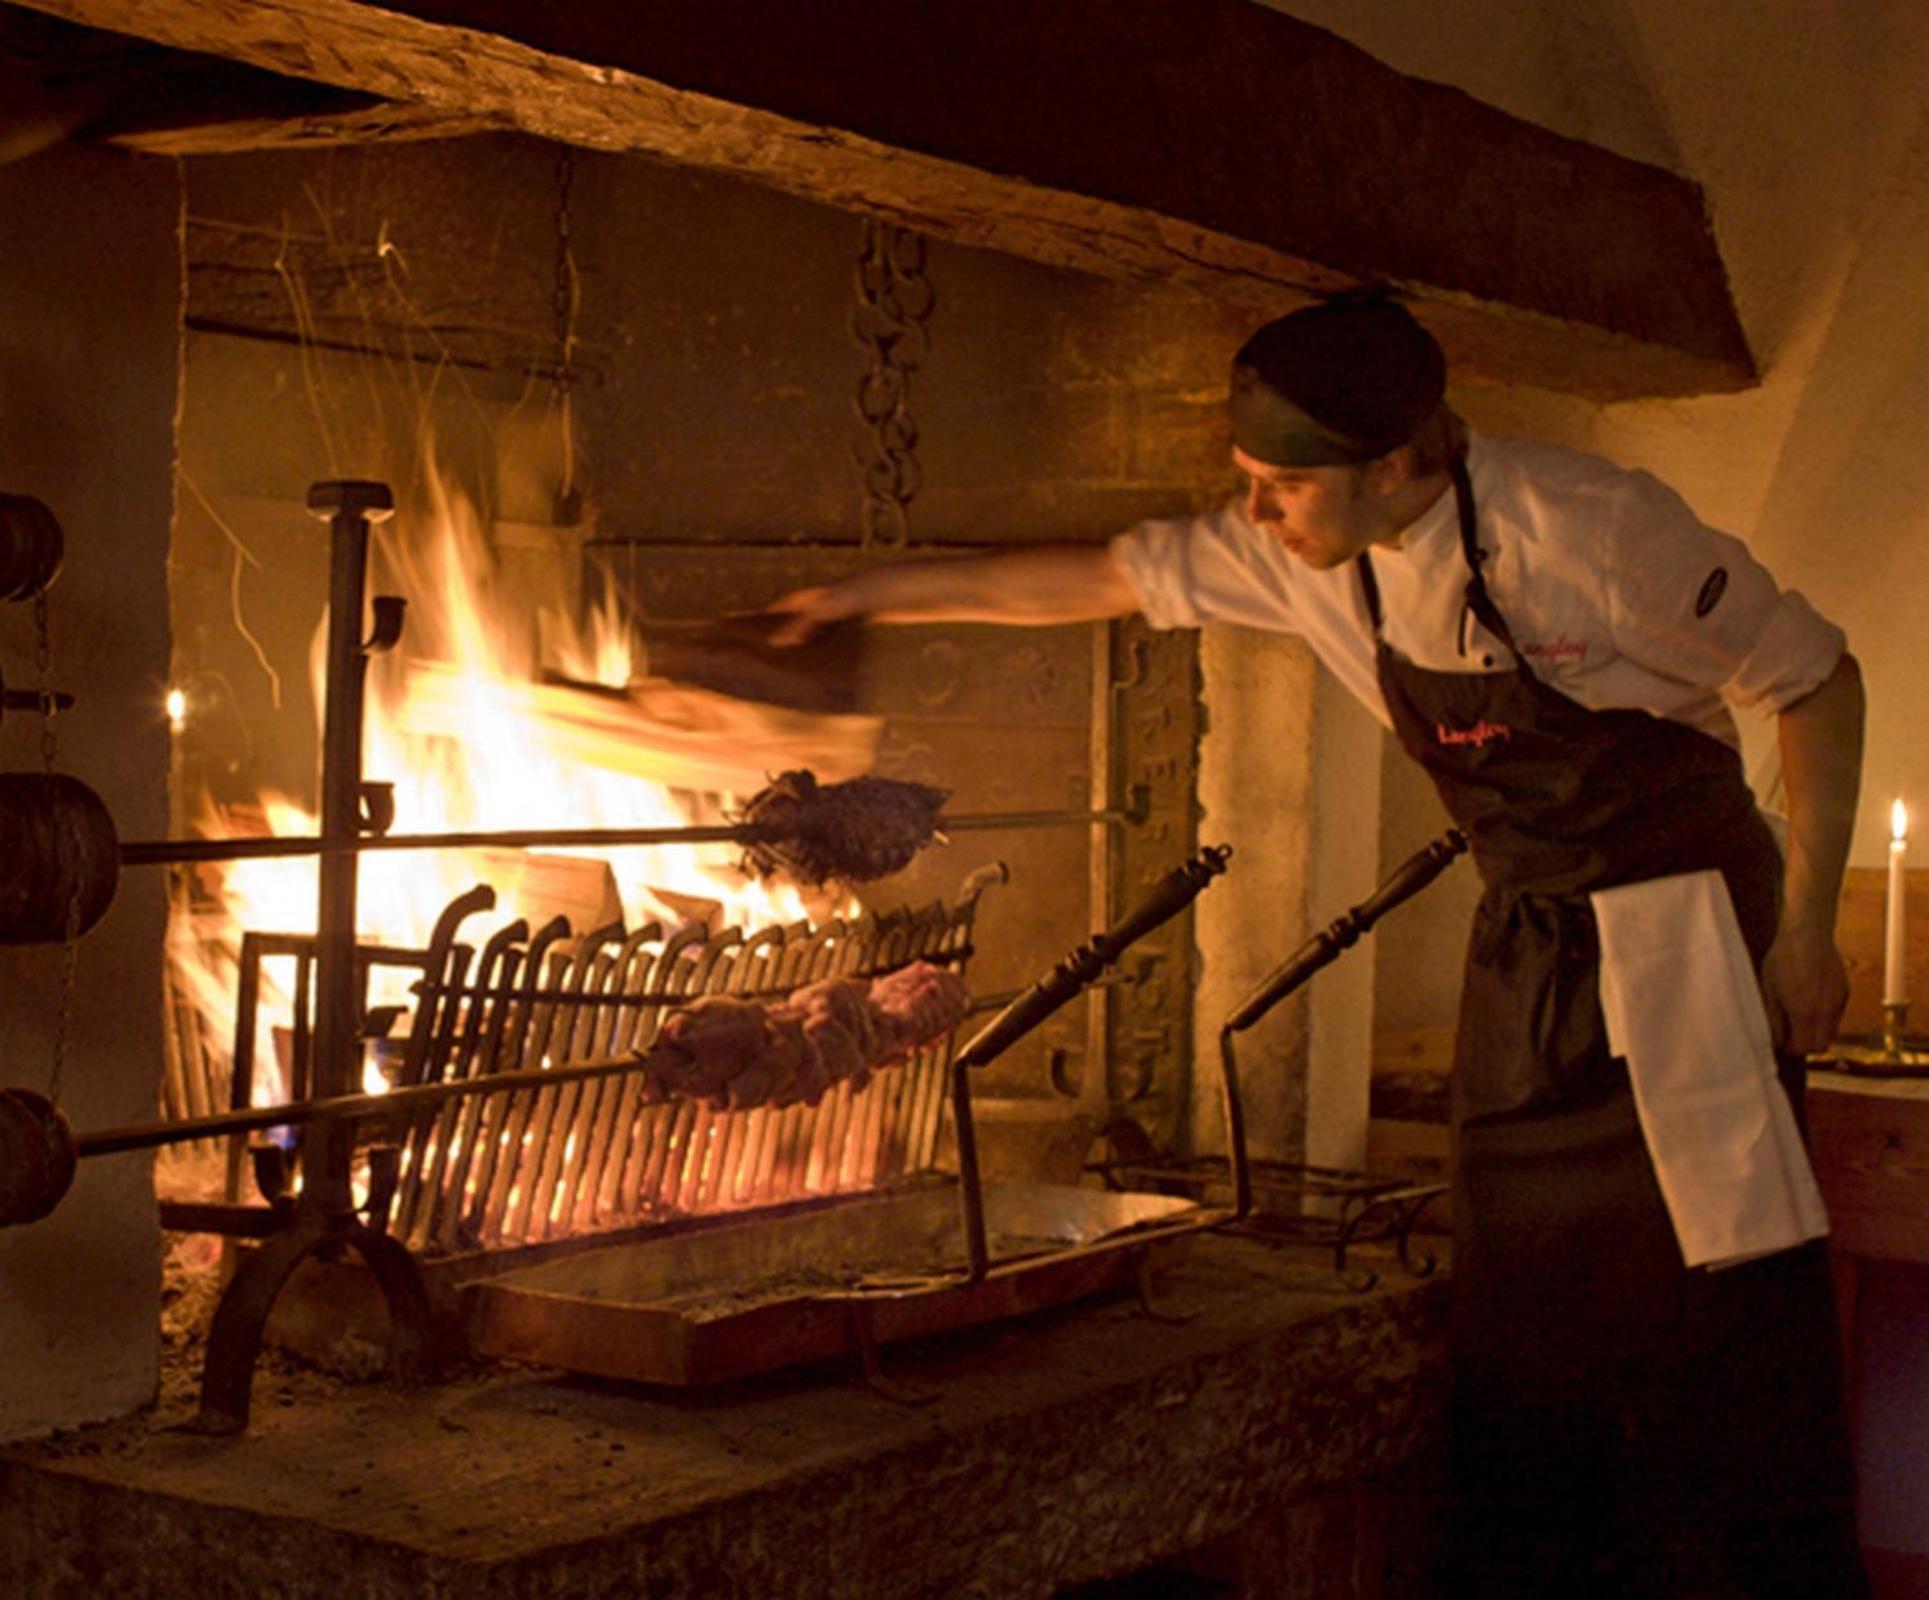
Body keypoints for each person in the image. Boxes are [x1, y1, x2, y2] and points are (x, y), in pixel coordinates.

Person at [767, 290, 1870, 1597]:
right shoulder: (1300, 552)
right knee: (1523, 1344)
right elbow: (1095, 577)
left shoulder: (1586, 531)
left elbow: (1812, 677)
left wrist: (1806, 929)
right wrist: (868, 594)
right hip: (1527, 952)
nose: (1257, 514)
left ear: (1397, 462)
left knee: (1703, 1330)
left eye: (1281, 487)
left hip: (1683, 943)